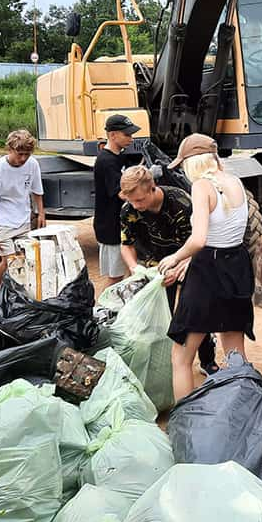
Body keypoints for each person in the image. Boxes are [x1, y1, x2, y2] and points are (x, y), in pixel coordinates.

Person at [156, 134, 254, 401]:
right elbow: (226, 232)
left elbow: (199, 239)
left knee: (181, 357)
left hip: (207, 273)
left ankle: (184, 424)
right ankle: (244, 413)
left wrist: (176, 257)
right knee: (236, 354)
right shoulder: (235, 182)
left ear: (191, 163)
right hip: (237, 266)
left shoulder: (201, 187)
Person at [118, 164, 218, 376]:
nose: (136, 206)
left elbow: (200, 239)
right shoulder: (129, 210)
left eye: (140, 200)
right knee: (159, 316)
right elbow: (126, 243)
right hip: (157, 268)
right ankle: (161, 366)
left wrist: (182, 264)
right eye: (131, 201)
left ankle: (207, 360)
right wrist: (136, 268)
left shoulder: (181, 202)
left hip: (190, 261)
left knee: (195, 312)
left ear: (153, 187)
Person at [0, 129, 45, 299]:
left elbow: (37, 190)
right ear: (9, 149)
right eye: (20, 154)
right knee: (12, 261)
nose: (23, 158)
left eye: (27, 154)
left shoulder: (32, 164)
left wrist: (41, 213)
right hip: (1, 221)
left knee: (23, 260)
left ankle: (2, 295)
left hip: (22, 218)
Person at [94, 114, 138, 286]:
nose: (131, 138)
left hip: (121, 224)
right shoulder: (106, 161)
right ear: (112, 135)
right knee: (115, 276)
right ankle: (104, 310)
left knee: (128, 272)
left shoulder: (119, 156)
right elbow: (121, 193)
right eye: (126, 135)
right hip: (110, 226)